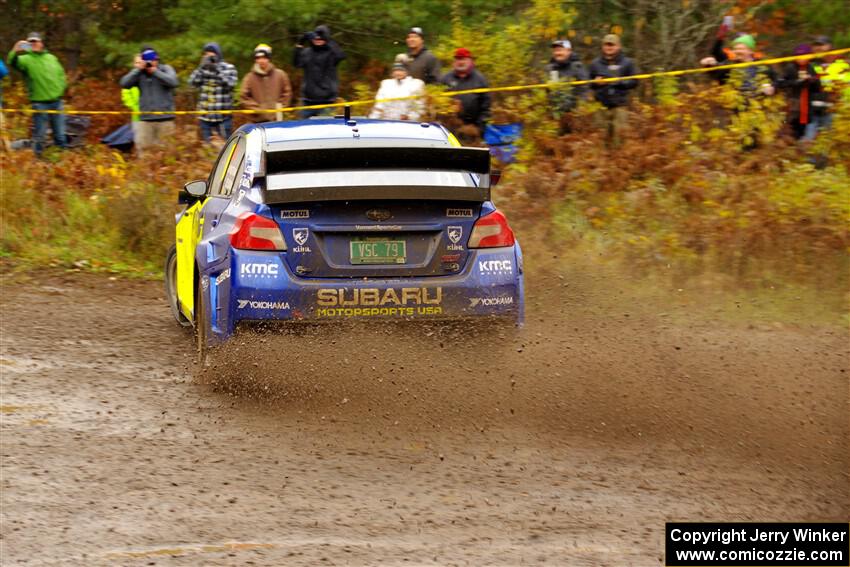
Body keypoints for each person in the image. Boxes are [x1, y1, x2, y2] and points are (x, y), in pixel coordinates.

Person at [7, 32, 67, 156]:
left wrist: (61, 89)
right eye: (30, 42)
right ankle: (37, 162)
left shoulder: (51, 57)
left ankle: (64, 160)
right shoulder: (25, 59)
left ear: (41, 43)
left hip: (57, 102)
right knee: (40, 136)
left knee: (60, 135)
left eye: (35, 41)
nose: (33, 44)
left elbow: (61, 75)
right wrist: (15, 50)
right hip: (40, 103)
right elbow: (12, 62)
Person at [119, 48, 179, 154]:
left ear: (157, 59)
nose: (149, 62)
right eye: (146, 60)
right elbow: (124, 83)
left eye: (152, 59)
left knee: (168, 154)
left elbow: (173, 82)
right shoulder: (139, 74)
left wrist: (155, 71)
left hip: (165, 119)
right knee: (145, 154)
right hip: (145, 120)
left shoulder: (166, 69)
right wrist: (138, 69)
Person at [588, 34, 638, 148]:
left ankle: (618, 163)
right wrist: (595, 83)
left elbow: (635, 82)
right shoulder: (595, 63)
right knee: (599, 140)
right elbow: (588, 83)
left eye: (612, 45)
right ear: (602, 46)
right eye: (606, 45)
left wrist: (618, 82)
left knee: (619, 140)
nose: (609, 47)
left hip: (620, 106)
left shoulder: (627, 63)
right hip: (600, 107)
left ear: (618, 46)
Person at [188, 42, 238, 142]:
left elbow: (231, 84)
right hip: (205, 118)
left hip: (223, 117)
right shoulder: (202, 68)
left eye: (212, 53)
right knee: (207, 150)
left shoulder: (229, 68)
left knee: (225, 149)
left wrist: (217, 69)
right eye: (207, 54)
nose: (209, 56)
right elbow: (192, 83)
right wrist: (201, 67)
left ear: (218, 55)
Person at [439, 48, 491, 142]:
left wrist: (480, 128)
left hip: (473, 129)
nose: (460, 62)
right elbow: (438, 103)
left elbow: (486, 106)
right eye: (458, 59)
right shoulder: (446, 78)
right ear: (454, 61)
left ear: (470, 60)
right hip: (450, 129)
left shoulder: (480, 79)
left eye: (463, 59)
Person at [293, 25, 345, 119]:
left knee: (326, 132)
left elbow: (341, 55)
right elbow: (296, 63)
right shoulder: (307, 52)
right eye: (316, 38)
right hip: (308, 102)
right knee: (304, 130)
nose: (318, 40)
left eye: (321, 39)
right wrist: (300, 43)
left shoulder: (331, 53)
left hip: (327, 102)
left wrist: (328, 40)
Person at [809, 35, 850, 139]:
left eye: (821, 45)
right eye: (815, 45)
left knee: (828, 142)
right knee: (809, 142)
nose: (818, 48)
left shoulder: (840, 62)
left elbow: (845, 85)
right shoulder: (812, 63)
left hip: (833, 110)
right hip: (813, 110)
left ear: (829, 46)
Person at [777, 44, 820, 140]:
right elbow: (781, 83)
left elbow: (818, 88)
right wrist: (797, 82)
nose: (801, 58)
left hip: (807, 108)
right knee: (792, 134)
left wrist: (812, 81)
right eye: (798, 56)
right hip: (792, 107)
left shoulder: (811, 68)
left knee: (805, 136)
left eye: (804, 55)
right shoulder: (790, 68)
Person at [240, 43, 292, 123]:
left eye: (264, 58)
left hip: (277, 120)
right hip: (256, 121)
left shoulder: (280, 75)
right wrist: (258, 110)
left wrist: (279, 107)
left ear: (269, 58)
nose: (261, 60)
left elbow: (287, 93)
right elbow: (244, 96)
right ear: (255, 60)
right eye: (258, 58)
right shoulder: (249, 77)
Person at [545, 39, 588, 134]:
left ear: (568, 51)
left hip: (573, 114)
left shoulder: (577, 67)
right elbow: (546, 91)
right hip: (555, 115)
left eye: (560, 50)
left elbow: (584, 88)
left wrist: (580, 108)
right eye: (555, 50)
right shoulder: (550, 68)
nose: (557, 53)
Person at [369, 56, 425, 121]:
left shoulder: (416, 84)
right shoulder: (386, 83)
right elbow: (379, 105)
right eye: (395, 70)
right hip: (386, 121)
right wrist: (372, 120)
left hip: (407, 123)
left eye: (401, 70)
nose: (398, 73)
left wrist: (409, 117)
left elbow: (419, 106)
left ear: (407, 71)